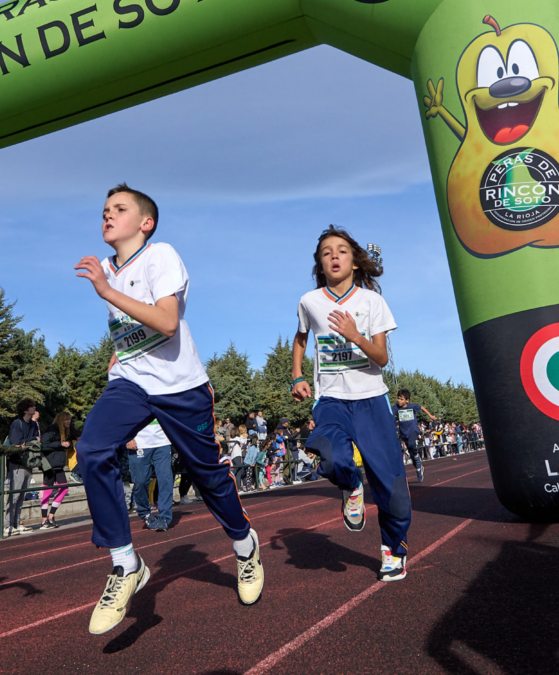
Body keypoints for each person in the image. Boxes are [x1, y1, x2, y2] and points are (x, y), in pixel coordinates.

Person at [73, 183, 263, 635]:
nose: (106, 215)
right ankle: (125, 564)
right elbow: (134, 330)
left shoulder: (160, 256)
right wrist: (118, 353)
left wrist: (106, 291)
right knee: (92, 450)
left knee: (208, 476)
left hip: (180, 386)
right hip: (132, 383)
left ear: (145, 222)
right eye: (103, 210)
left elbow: (166, 320)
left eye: (118, 209)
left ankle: (244, 546)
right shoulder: (108, 269)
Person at [291, 225, 410, 583]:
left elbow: (381, 358)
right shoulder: (309, 302)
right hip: (330, 399)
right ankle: (351, 486)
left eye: (341, 251)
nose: (334, 256)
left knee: (391, 486)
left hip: (372, 400)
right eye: (327, 252)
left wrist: (354, 335)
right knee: (330, 455)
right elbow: (299, 339)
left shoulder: (372, 303)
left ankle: (393, 551)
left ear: (355, 262)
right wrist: (297, 375)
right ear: (320, 265)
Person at [126, 420, 174, 532]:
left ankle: (164, 516)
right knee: (141, 481)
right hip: (138, 443)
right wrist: (127, 437)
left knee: (165, 479)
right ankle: (145, 513)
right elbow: (121, 415)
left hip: (163, 442)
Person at [5, 398, 40, 536]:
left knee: (22, 495)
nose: (34, 409)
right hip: (17, 463)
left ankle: (16, 522)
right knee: (14, 494)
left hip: (28, 462)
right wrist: (31, 441)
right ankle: (8, 525)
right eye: (32, 407)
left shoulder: (32, 424)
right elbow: (15, 443)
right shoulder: (17, 423)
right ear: (26, 409)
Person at [39, 412, 74, 528]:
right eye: (66, 420)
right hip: (50, 464)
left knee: (64, 488)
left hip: (59, 465)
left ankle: (51, 515)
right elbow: (44, 443)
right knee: (47, 491)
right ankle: (44, 519)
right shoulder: (52, 429)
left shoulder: (67, 431)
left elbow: (68, 443)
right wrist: (60, 444)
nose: (69, 422)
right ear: (61, 420)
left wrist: (68, 444)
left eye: (69, 420)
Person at [395, 389, 436, 483]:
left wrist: (430, 416)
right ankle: (419, 467)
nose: (399, 401)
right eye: (398, 398)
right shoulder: (396, 408)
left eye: (401, 399)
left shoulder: (411, 406)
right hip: (403, 433)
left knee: (411, 444)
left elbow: (422, 407)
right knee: (411, 452)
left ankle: (418, 463)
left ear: (407, 400)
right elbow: (389, 413)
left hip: (413, 431)